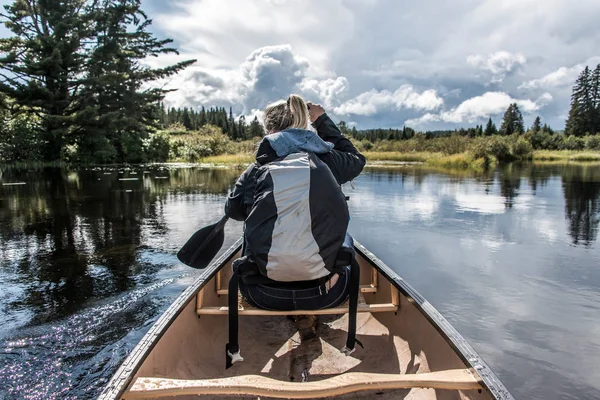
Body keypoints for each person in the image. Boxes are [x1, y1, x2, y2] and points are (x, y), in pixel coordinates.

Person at [223, 94, 365, 366]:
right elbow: (356, 160)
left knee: (249, 227)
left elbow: (234, 211)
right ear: (305, 124)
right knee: (344, 233)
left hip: (262, 294)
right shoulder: (329, 161)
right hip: (329, 294)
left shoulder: (257, 169)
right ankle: (318, 291)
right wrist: (322, 120)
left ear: (269, 130)